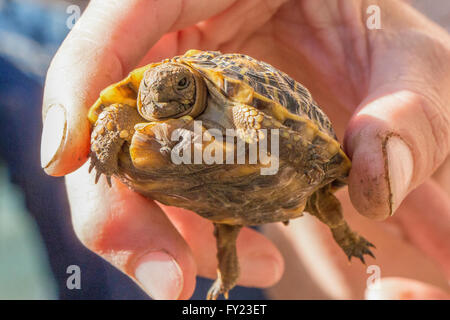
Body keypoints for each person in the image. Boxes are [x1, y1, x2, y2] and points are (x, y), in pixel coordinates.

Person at [41, 0, 450, 300]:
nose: (163, 98)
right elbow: (110, 122)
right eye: (151, 96)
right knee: (226, 232)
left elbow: (257, 123)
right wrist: (103, 146)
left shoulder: (234, 106)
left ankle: (341, 237)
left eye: (180, 86)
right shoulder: (129, 112)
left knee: (318, 202)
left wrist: (295, 154)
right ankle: (227, 285)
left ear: (196, 85)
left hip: (287, 179)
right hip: (225, 201)